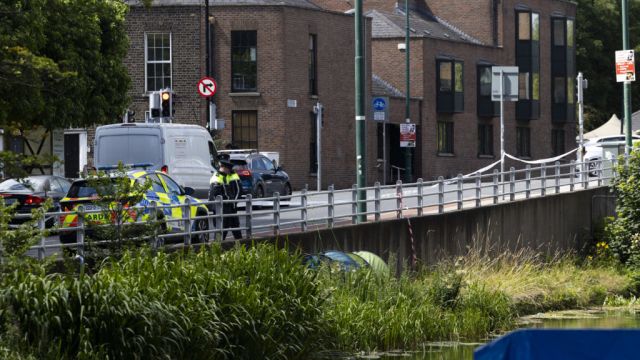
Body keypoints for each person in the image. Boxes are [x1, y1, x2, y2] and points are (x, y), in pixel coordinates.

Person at [208, 159, 242, 240]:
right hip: (221, 208)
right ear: (225, 168)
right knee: (221, 231)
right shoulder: (217, 178)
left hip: (228, 207)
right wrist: (231, 200)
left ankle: (241, 247)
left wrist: (232, 202)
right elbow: (218, 195)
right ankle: (217, 249)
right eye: (229, 169)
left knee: (235, 229)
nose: (229, 171)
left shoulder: (223, 176)